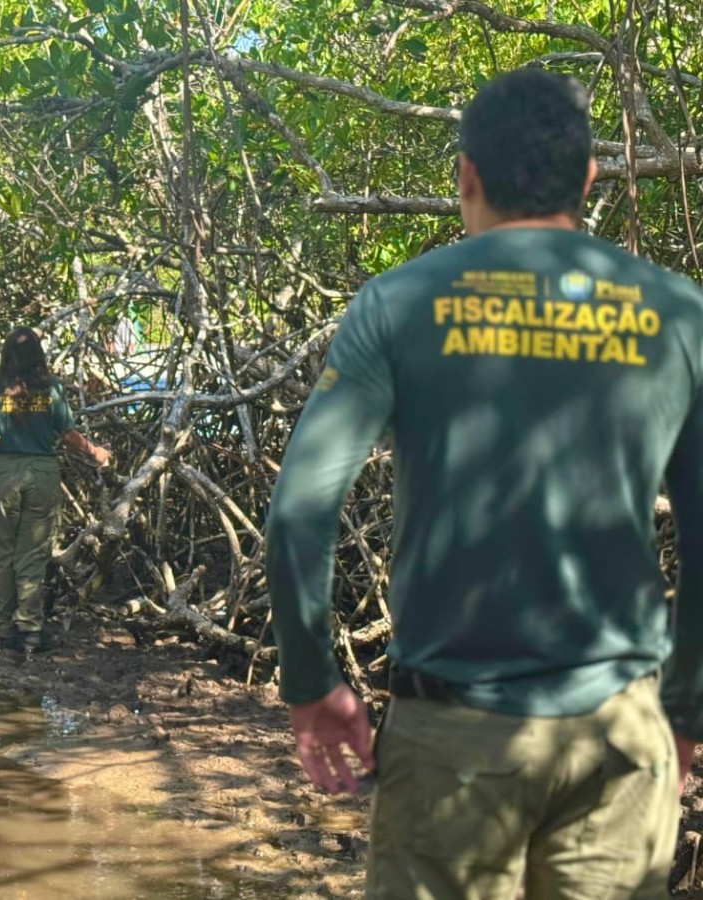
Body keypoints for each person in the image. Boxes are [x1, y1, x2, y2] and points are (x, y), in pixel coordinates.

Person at [266, 67, 703, 897]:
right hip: (622, 739)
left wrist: (311, 679)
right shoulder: (679, 315)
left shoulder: (395, 305)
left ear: (464, 175)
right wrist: (687, 709)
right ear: (589, 181)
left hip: (452, 741)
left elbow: (298, 513)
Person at [0, 327, 111, 653]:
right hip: (41, 473)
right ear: (39, 355)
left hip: (5, 474)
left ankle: (6, 631)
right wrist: (94, 451)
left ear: (7, 355)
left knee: (3, 556)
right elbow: (67, 433)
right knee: (32, 555)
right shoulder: (51, 389)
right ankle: (31, 631)